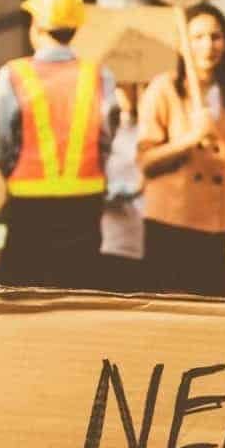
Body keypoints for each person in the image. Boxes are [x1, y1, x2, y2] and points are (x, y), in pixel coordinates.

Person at [0, 0, 113, 290]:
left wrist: (8, 169)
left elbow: (3, 144)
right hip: (85, 202)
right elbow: (108, 139)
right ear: (75, 27)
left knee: (23, 296)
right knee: (77, 294)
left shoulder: (12, 74)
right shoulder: (99, 75)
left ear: (36, 24)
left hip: (30, 205)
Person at [138, 4, 225, 297]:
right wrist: (190, 138)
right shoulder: (164, 89)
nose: (208, 45)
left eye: (216, 36)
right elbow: (146, 161)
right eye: (198, 37)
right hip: (171, 226)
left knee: (208, 323)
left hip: (216, 229)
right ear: (184, 44)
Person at [99, 84, 147, 293]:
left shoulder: (147, 132)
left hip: (144, 236)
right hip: (110, 238)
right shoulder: (103, 136)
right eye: (119, 87)